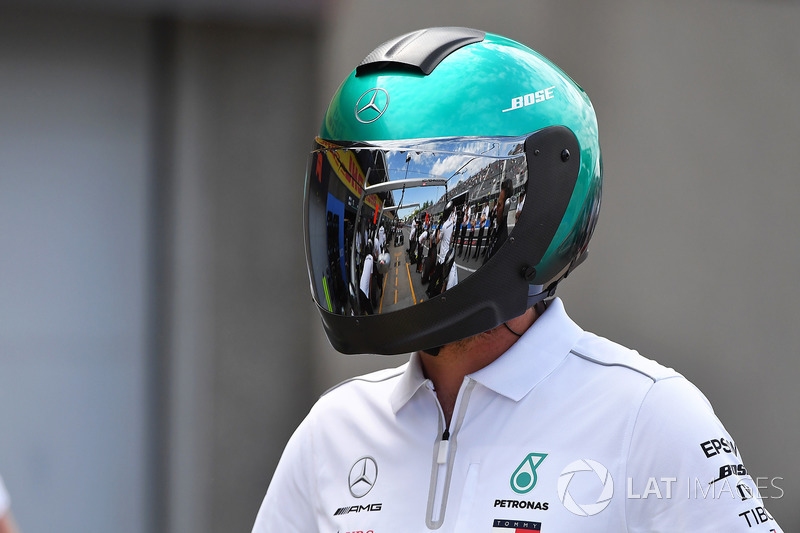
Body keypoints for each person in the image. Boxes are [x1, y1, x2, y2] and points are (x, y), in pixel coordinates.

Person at [254, 27, 783, 532]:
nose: (397, 242)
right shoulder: (332, 431)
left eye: (422, 200)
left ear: (543, 202)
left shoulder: (648, 415)